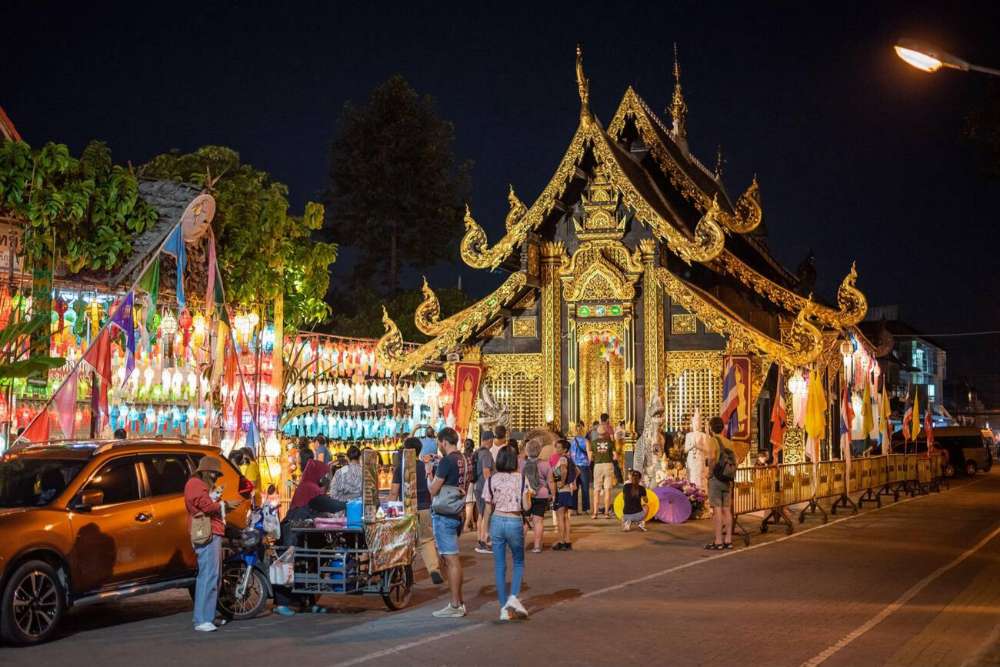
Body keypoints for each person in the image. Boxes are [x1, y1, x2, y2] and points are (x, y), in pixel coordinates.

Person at [275, 458, 340, 615]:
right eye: (324, 475)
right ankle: (282, 604)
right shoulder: (309, 487)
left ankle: (307, 602)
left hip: (305, 533)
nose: (326, 478)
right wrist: (347, 505)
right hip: (292, 532)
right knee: (288, 564)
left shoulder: (311, 487)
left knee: (310, 563)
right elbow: (326, 505)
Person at [184, 456, 239, 632]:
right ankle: (202, 620)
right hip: (207, 533)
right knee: (208, 576)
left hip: (211, 532)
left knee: (212, 576)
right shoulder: (195, 484)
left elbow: (205, 503)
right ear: (207, 471)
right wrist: (224, 504)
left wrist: (216, 499)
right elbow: (205, 506)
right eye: (215, 473)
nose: (216, 477)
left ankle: (208, 616)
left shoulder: (199, 485)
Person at [481, 445, 529, 620]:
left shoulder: (491, 480)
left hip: (497, 521)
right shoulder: (521, 479)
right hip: (515, 521)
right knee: (518, 561)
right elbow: (526, 506)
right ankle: (514, 597)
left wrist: (485, 531)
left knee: (500, 565)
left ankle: (503, 609)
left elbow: (487, 508)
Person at [389, 437, 443, 585]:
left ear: (406, 450)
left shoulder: (400, 467)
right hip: (424, 508)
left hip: (406, 510)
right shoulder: (424, 467)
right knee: (426, 540)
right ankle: (433, 569)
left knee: (403, 542)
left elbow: (394, 492)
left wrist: (389, 509)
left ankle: (401, 571)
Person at [429, 427, 470, 618]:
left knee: (452, 560)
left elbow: (433, 490)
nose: (439, 447)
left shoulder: (446, 461)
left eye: (439, 443)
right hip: (457, 511)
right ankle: (458, 601)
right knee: (451, 558)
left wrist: (430, 473)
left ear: (444, 442)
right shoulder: (464, 459)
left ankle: (455, 605)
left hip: (445, 514)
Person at [705, 416, 736, 550]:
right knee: (727, 510)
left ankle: (718, 541)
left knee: (717, 510)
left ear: (711, 428)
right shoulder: (729, 442)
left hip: (716, 479)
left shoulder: (712, 441)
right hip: (726, 479)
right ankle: (728, 540)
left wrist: (710, 473)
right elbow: (737, 460)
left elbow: (712, 459)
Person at [521, 438, 555, 553]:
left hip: (526, 495)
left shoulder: (522, 464)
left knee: (524, 522)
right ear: (539, 451)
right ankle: (537, 546)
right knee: (538, 521)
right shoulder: (545, 464)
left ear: (527, 450)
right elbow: (550, 481)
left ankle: (520, 545)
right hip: (541, 494)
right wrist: (553, 494)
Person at [551, 439, 576, 550]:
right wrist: (570, 481)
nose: (556, 449)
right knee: (566, 516)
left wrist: (561, 482)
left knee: (560, 516)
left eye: (559, 447)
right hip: (567, 490)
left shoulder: (562, 459)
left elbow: (564, 470)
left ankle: (561, 541)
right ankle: (567, 540)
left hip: (561, 490)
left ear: (565, 449)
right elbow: (577, 471)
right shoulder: (569, 459)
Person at [473, 432, 496, 554]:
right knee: (486, 515)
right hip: (484, 488)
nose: (492, 443)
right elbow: (487, 472)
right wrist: (491, 489)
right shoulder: (486, 453)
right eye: (492, 440)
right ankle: (485, 542)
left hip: (478, 486)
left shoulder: (477, 452)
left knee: (482, 514)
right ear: (488, 440)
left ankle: (481, 540)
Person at [590, 424, 616, 519]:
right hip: (608, 465)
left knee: (596, 489)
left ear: (597, 433)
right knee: (607, 490)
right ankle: (606, 513)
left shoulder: (593, 443)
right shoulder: (610, 443)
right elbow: (615, 456)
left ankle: (595, 513)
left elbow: (591, 457)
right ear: (606, 432)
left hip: (598, 466)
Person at [569, 421, 592, 514]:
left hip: (574, 466)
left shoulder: (571, 442)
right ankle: (585, 509)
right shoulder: (586, 441)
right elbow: (589, 453)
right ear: (583, 429)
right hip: (583, 466)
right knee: (585, 488)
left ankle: (574, 509)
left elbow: (570, 455)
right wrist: (589, 463)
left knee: (575, 488)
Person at [463, 439, 478, 532]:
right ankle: (465, 525)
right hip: (472, 482)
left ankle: (473, 524)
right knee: (470, 504)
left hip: (464, 482)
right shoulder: (474, 456)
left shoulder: (462, 455)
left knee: (469, 504)